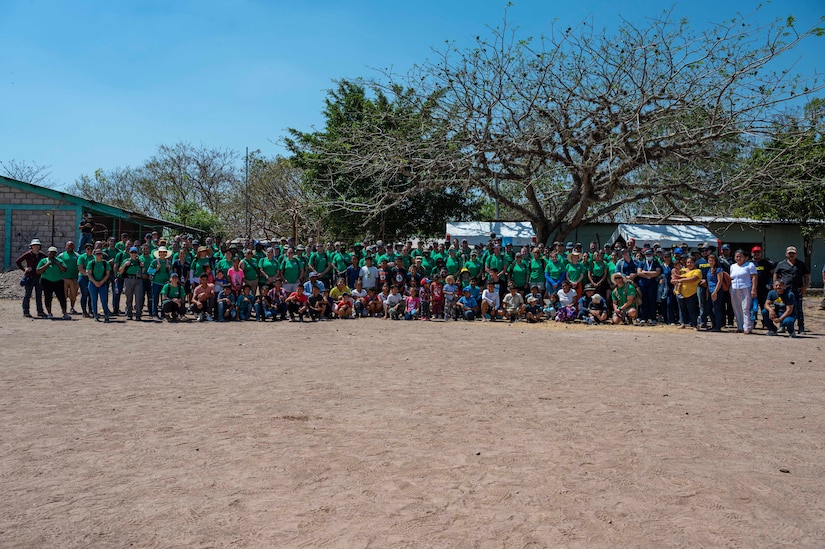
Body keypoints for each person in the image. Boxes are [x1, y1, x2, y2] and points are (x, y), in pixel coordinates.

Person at [773, 246, 810, 334]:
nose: (791, 255)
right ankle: (782, 326)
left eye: (793, 253)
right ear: (786, 254)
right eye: (789, 253)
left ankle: (801, 328)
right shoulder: (781, 264)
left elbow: (806, 275)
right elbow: (776, 274)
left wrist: (805, 286)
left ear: (796, 254)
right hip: (784, 291)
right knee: (782, 308)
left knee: (798, 309)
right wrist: (775, 285)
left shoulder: (801, 264)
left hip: (797, 290)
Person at [36, 246, 70, 320]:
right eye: (51, 252)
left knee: (62, 298)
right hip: (46, 281)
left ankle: (64, 313)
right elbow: (38, 271)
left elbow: (64, 269)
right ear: (48, 253)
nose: (52, 254)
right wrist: (47, 265)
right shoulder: (43, 261)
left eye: (54, 253)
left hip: (58, 281)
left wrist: (58, 264)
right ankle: (49, 313)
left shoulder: (59, 260)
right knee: (48, 297)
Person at [16, 238, 47, 318]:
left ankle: (40, 311)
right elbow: (18, 261)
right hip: (29, 277)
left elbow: (48, 261)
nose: (36, 247)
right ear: (31, 246)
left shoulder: (42, 255)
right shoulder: (28, 254)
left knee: (39, 295)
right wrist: (24, 269)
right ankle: (26, 312)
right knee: (27, 295)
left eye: (37, 245)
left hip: (39, 277)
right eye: (34, 245)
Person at [672, 257, 701, 329]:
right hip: (679, 293)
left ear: (694, 263)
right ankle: (682, 323)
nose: (689, 264)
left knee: (692, 310)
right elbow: (674, 277)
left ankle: (694, 324)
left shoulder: (697, 271)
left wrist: (680, 280)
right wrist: (674, 281)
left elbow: (693, 279)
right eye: (688, 262)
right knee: (681, 309)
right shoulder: (682, 270)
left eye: (691, 262)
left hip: (691, 293)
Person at [635, 248, 662, 325]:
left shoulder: (656, 263)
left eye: (650, 254)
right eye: (647, 255)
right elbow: (639, 273)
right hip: (643, 284)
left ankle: (653, 318)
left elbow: (657, 273)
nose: (648, 256)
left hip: (652, 284)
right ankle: (644, 318)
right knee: (644, 301)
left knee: (652, 301)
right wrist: (651, 273)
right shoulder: (642, 263)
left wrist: (645, 272)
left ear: (652, 255)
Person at [87, 248, 112, 322]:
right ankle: (95, 315)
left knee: (104, 300)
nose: (99, 256)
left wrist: (101, 282)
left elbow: (107, 274)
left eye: (100, 254)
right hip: (92, 283)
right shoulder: (91, 263)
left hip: (102, 283)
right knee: (94, 300)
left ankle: (106, 315)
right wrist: (95, 282)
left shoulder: (105, 263)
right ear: (95, 255)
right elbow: (89, 274)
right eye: (97, 254)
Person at [59, 241, 81, 315]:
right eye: (68, 246)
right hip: (64, 278)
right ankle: (63, 308)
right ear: (66, 246)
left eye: (71, 246)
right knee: (63, 295)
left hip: (74, 278)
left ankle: (72, 307)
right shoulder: (61, 255)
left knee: (73, 294)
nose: (70, 247)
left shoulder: (77, 255)